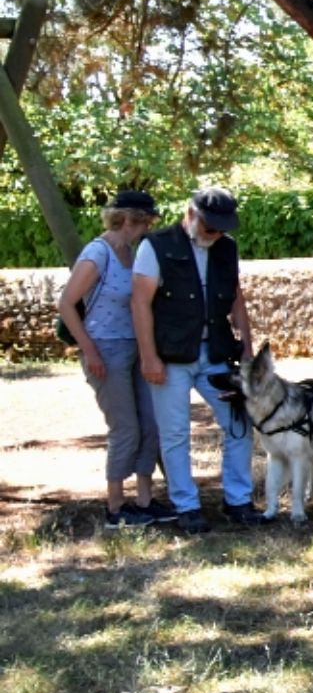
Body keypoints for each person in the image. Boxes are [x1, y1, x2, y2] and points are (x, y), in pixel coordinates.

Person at [130, 186, 258, 532]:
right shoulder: (155, 246)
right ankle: (186, 506)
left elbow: (236, 298)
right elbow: (140, 303)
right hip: (170, 355)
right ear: (191, 215)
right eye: (210, 227)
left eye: (221, 229)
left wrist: (247, 346)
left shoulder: (227, 248)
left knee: (238, 423)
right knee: (174, 434)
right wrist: (149, 357)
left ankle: (238, 500)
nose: (215, 235)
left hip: (216, 351)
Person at [56, 190, 168, 528]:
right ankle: (116, 505)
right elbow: (66, 303)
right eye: (146, 221)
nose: (149, 227)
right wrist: (90, 351)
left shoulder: (132, 252)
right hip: (105, 348)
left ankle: (145, 499)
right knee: (125, 427)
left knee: (150, 422)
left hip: (136, 347)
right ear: (131, 219)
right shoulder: (97, 253)